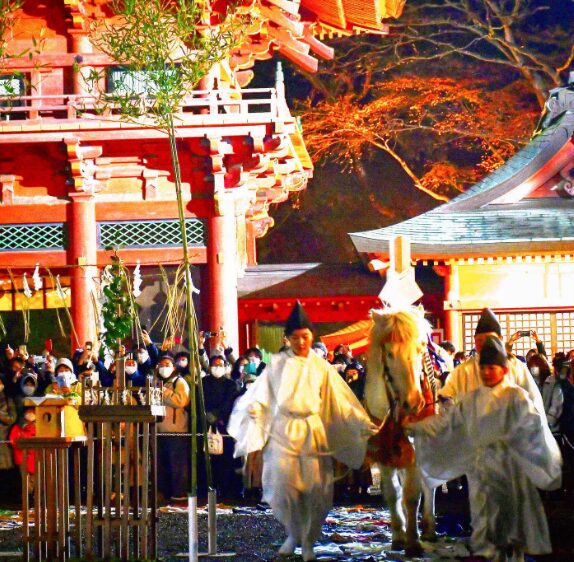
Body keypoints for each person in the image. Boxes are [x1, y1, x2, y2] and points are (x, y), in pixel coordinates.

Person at [228, 301, 377, 562]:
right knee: (284, 486)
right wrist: (256, 408)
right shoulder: (276, 364)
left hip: (312, 431)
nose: (301, 342)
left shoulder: (321, 366)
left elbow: (338, 400)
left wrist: (359, 421)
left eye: (305, 337)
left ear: (312, 337)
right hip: (284, 430)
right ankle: (292, 534)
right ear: (287, 339)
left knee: (313, 489)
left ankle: (307, 541)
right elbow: (262, 393)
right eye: (295, 337)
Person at [408, 336, 562, 562]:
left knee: (510, 528)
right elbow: (447, 423)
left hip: (509, 472)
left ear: (503, 369)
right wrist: (415, 428)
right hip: (481, 473)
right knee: (484, 530)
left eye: (493, 368)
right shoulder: (472, 399)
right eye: (484, 368)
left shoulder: (516, 396)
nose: (487, 373)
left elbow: (533, 428)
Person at [439, 308, 545, 417]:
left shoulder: (515, 366)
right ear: (474, 341)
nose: (486, 344)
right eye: (480, 340)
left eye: (490, 339)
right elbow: (446, 398)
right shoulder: (463, 370)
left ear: (500, 339)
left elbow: (534, 402)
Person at [156, 355, 190, 505]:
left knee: (177, 464)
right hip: (158, 429)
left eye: (167, 364)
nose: (164, 367)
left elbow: (181, 401)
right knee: (161, 464)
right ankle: (164, 493)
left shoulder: (179, 382)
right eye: (161, 364)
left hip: (176, 429)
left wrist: (163, 392)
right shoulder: (154, 382)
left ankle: (179, 494)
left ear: (173, 367)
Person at [527, 353, 563, 433]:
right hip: (533, 429)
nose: (533, 368)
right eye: (531, 366)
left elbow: (556, 408)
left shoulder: (553, 383)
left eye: (536, 365)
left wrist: (545, 425)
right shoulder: (529, 384)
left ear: (542, 366)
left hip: (551, 430)